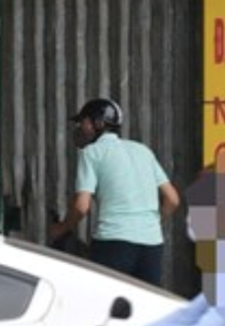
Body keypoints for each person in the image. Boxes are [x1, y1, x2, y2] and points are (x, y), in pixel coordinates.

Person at [49, 98, 180, 286]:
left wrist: (61, 228)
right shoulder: (143, 150)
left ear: (98, 123)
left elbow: (81, 206)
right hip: (151, 245)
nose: (79, 128)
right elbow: (172, 199)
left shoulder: (91, 153)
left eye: (82, 122)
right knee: (144, 301)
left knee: (105, 300)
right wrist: (151, 223)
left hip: (113, 242)